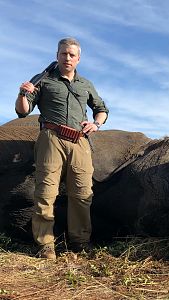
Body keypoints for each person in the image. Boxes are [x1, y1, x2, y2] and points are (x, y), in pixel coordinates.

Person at [15, 37, 109, 259]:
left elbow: (102, 108)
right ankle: (45, 245)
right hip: (51, 138)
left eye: (72, 55)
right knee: (46, 193)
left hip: (80, 142)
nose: (67, 58)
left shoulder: (85, 84)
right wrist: (22, 94)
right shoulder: (43, 80)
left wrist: (96, 123)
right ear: (57, 55)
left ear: (78, 58)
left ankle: (80, 242)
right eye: (64, 53)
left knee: (82, 193)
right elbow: (22, 110)